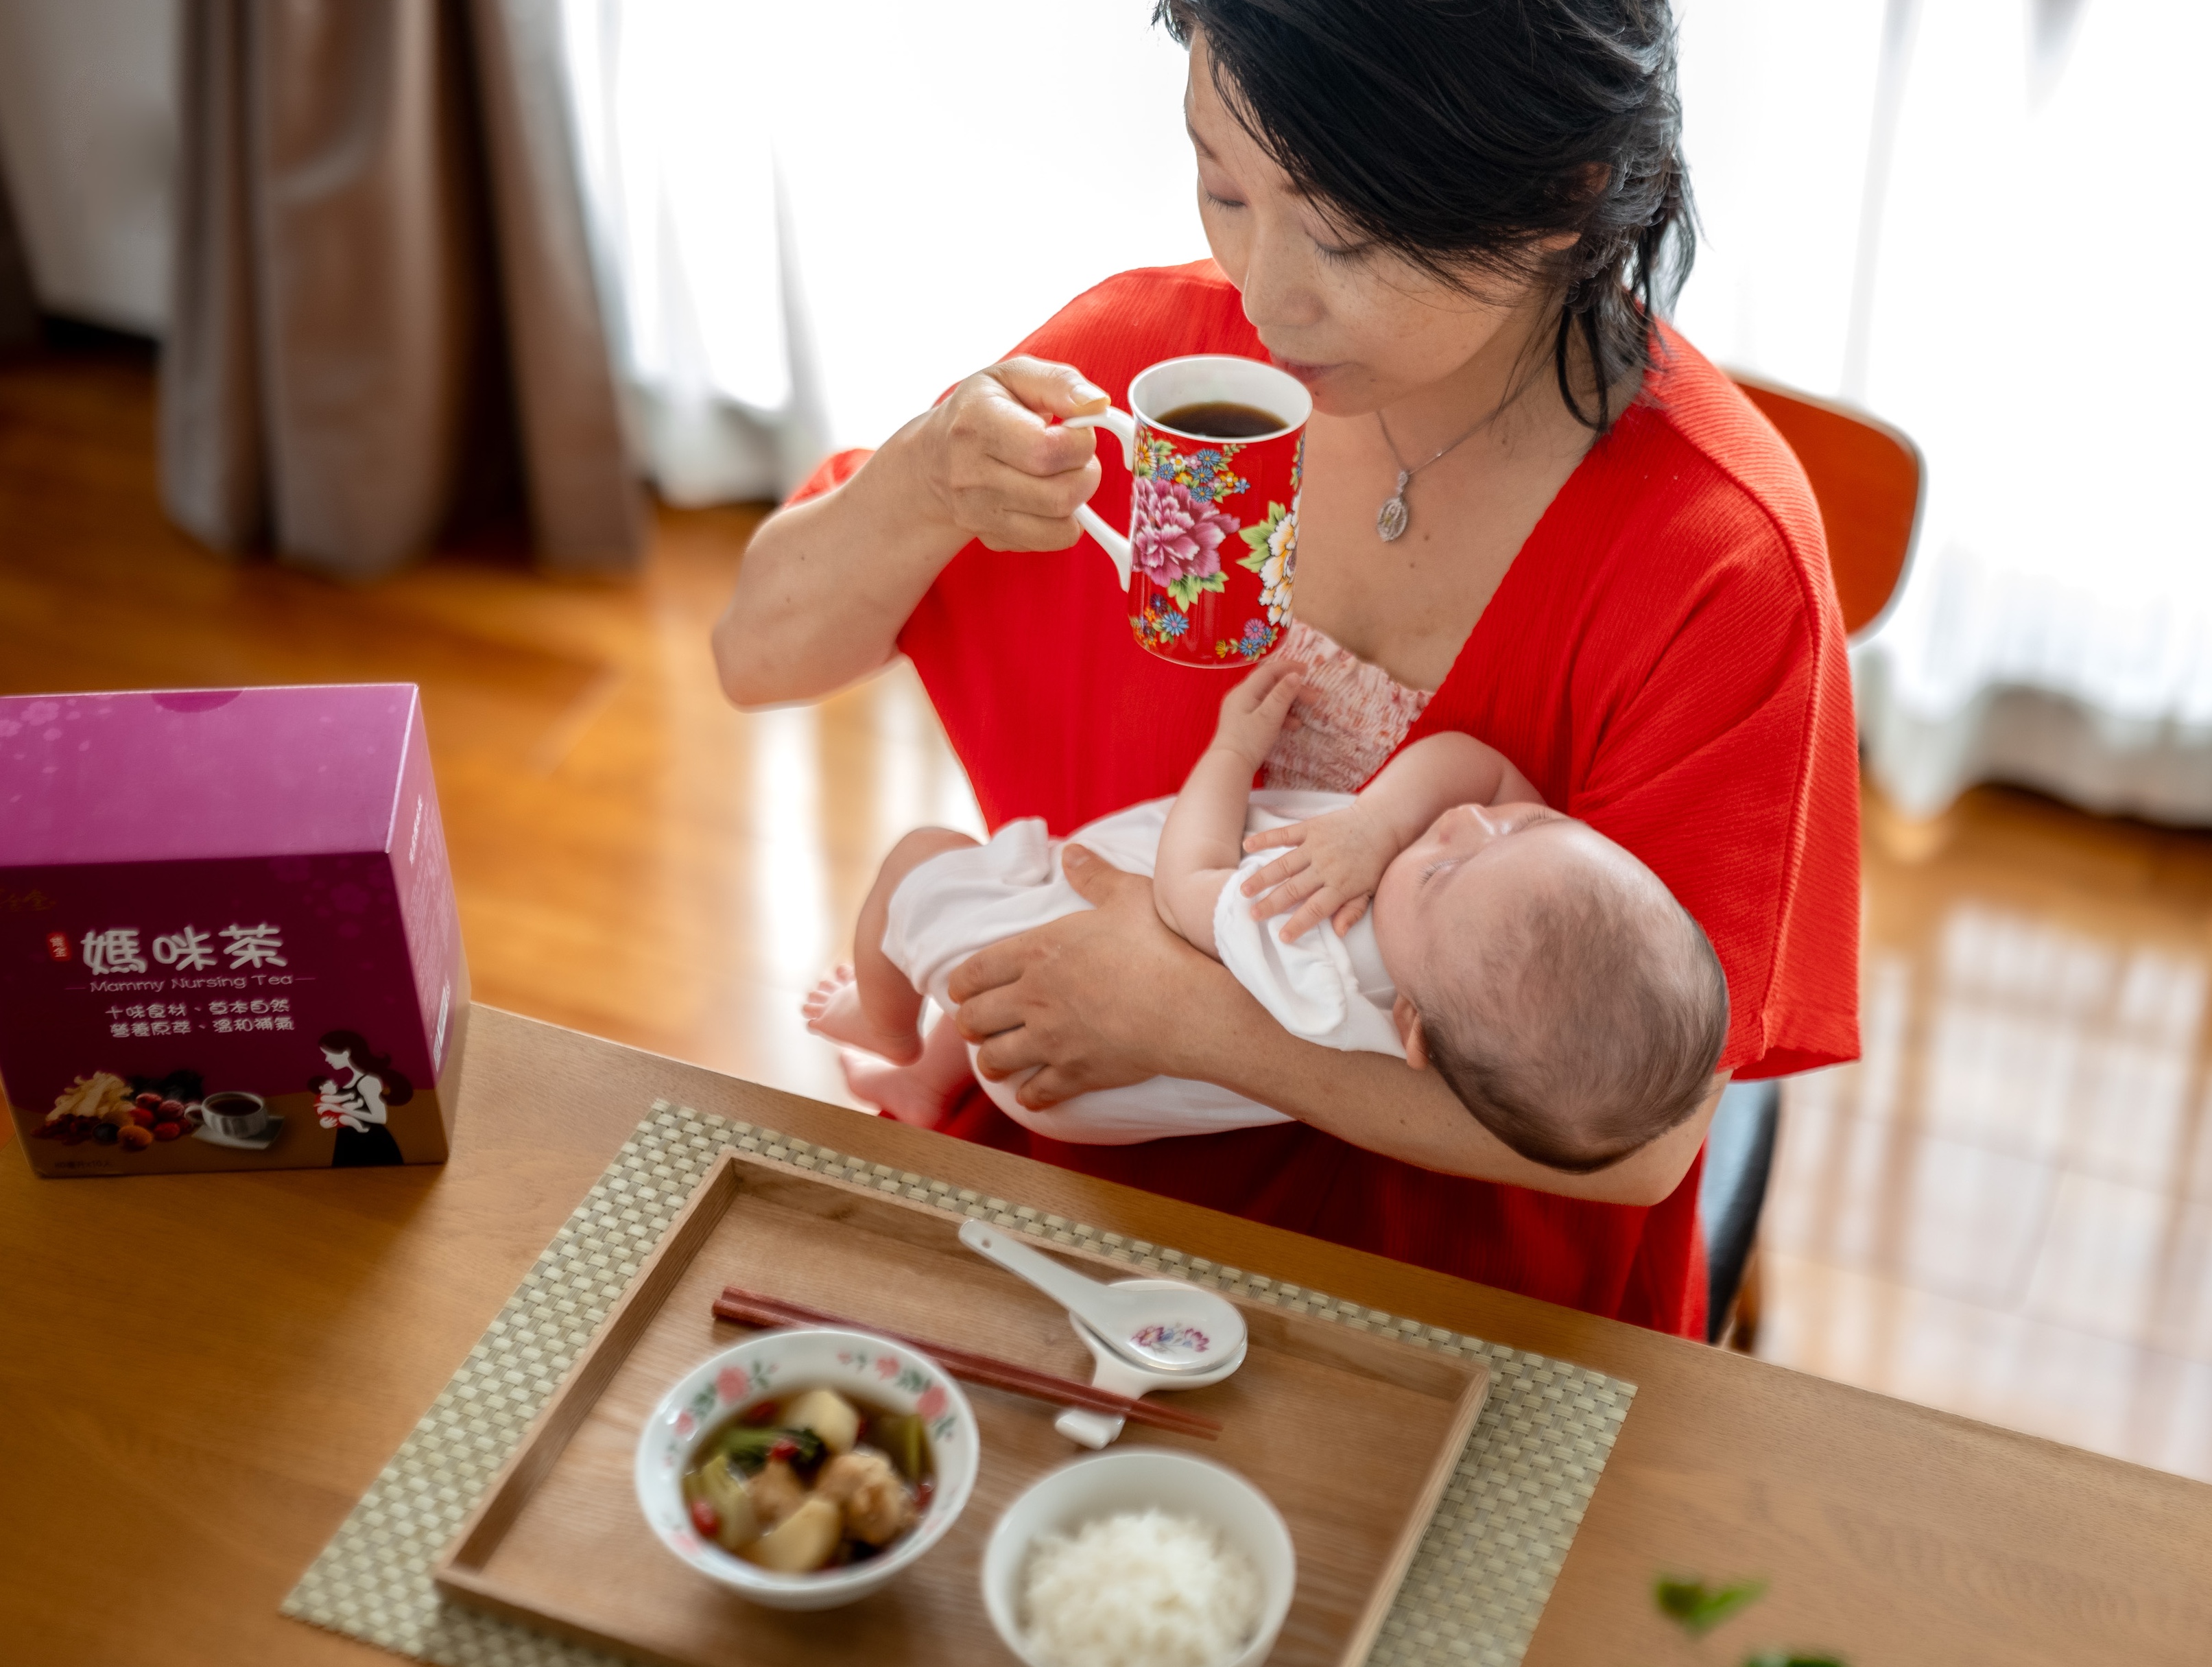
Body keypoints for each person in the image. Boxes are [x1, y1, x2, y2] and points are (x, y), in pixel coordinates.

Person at [713, 0, 1859, 1338]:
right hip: (1066, 1189)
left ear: (1565, 194)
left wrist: (1192, 1020)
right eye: (1222, 188)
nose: (1264, 298)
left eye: (1344, 237)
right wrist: (923, 483)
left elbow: (1643, 1145)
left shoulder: (1717, 555)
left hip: (1452, 1291)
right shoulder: (1157, 380)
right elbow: (755, 657)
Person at [808, 658, 1728, 1161]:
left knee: (923, 859)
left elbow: (1187, 882)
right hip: (1093, 1056)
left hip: (1057, 1055)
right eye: (1528, 824)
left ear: (1409, 1024)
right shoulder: (1482, 973)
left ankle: (885, 1021)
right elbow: (1482, 770)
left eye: (1442, 871)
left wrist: (1231, 751)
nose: (1466, 823)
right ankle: (929, 1080)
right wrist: (1382, 826)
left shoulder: (1317, 951)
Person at [313, 1029, 411, 1168]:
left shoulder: (368, 1081)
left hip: (372, 1143)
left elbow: (380, 1117)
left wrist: (340, 1109)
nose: (327, 1059)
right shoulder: (349, 1083)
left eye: (328, 1054)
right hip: (348, 1141)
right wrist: (327, 1122)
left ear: (346, 1052)